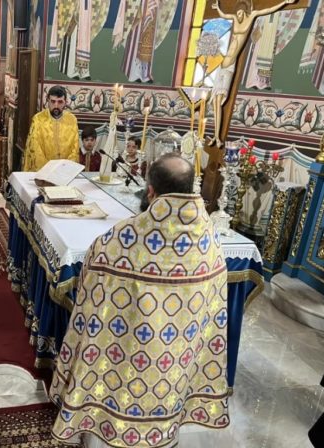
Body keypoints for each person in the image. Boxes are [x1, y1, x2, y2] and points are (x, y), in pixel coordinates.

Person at [50, 153, 229, 447]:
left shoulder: (123, 237)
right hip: (174, 369)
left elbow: (89, 291)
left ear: (150, 191)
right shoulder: (210, 239)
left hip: (120, 369)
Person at [209, 0, 296, 147]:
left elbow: (267, 10)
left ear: (245, 11)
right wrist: (218, 7)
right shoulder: (235, 18)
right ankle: (215, 136)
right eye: (237, 13)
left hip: (230, 66)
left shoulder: (252, 16)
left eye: (241, 13)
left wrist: (284, 2)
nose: (238, 15)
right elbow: (225, 15)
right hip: (222, 65)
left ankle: (218, 137)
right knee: (215, 103)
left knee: (220, 100)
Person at [23, 85, 79, 171]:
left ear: (66, 102)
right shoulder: (38, 119)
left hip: (65, 172)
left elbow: (75, 149)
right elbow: (36, 149)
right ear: (47, 100)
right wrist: (49, 170)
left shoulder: (72, 120)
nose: (56, 105)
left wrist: (65, 170)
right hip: (43, 171)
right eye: (53, 101)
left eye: (60, 102)